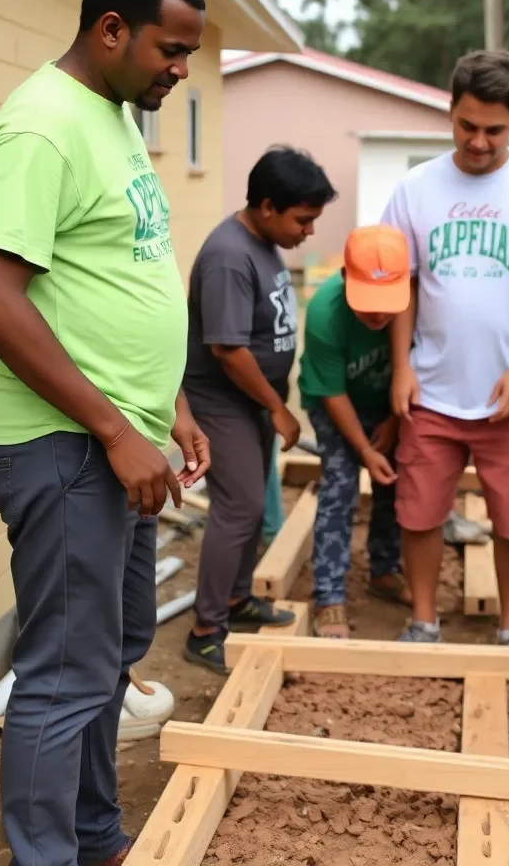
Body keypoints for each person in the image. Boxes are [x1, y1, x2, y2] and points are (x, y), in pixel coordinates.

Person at [0, 0, 211, 866]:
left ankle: (96, 836)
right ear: (111, 30)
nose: (181, 71)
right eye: (170, 50)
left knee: (113, 653)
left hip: (121, 439)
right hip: (66, 447)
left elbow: (116, 272)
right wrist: (114, 426)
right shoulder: (42, 125)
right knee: (65, 674)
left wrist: (167, 402)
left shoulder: (110, 114)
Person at [382, 49, 509, 645]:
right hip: (431, 388)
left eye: (493, 129)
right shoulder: (415, 189)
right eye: (467, 125)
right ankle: (422, 619)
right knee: (418, 514)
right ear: (450, 112)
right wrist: (401, 366)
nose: (478, 141)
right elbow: (403, 284)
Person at [182, 145, 337, 673]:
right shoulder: (229, 256)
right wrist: (278, 407)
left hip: (249, 401)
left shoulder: (263, 241)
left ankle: (235, 599)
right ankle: (206, 629)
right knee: (241, 506)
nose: (308, 231)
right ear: (268, 206)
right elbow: (228, 349)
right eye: (304, 219)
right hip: (222, 400)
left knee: (249, 508)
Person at [298, 224, 413, 638]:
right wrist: (365, 449)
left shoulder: (414, 304)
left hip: (390, 406)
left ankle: (384, 570)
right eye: (369, 304)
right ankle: (328, 596)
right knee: (340, 489)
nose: (379, 315)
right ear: (346, 278)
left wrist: (395, 425)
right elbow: (332, 393)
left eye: (387, 304)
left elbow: (415, 369)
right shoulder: (325, 312)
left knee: (396, 486)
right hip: (336, 406)